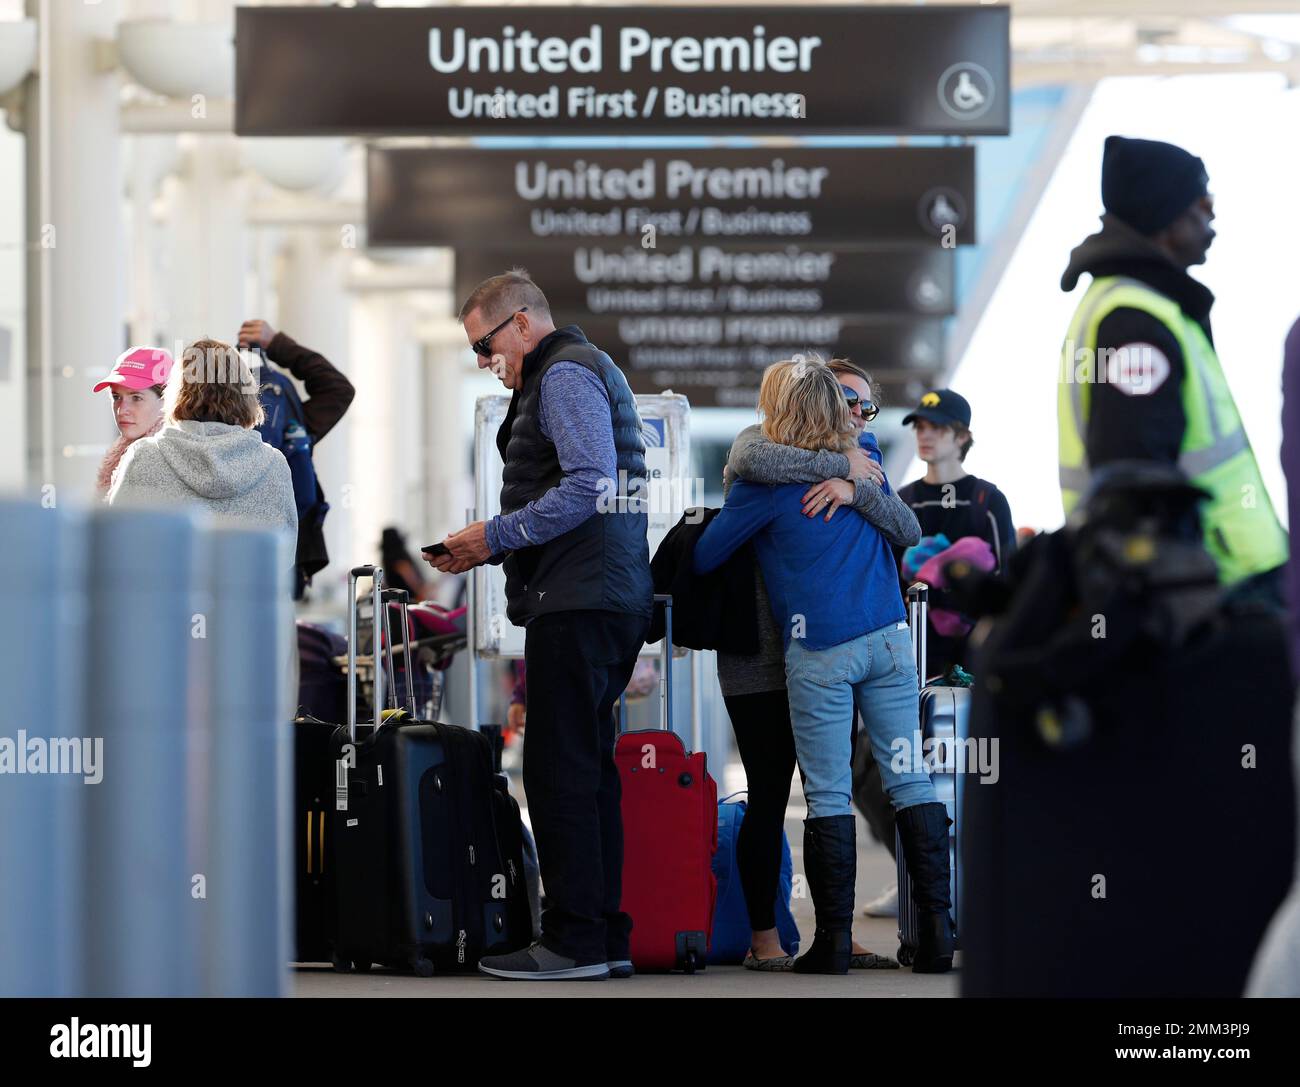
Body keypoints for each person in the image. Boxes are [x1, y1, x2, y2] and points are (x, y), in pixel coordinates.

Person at [426, 269, 652, 982]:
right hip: (596, 594)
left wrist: (494, 536)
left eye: (483, 344)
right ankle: (602, 934)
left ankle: (573, 939)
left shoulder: (563, 375)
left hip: (580, 599)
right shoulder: (567, 374)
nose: (483, 361)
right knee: (587, 771)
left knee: (559, 773)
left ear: (523, 322)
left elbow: (591, 482)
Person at [695, 358, 955, 975]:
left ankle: (833, 943)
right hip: (890, 641)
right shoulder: (862, 457)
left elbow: (706, 555)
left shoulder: (765, 484)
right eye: (853, 404)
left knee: (829, 794)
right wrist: (852, 485)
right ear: (836, 411)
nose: (862, 415)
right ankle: (939, 939)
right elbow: (904, 532)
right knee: (911, 782)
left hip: (821, 651)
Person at [1059, 135, 1287, 605]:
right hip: (1216, 595)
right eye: (1203, 203)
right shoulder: (1133, 321)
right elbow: (1135, 487)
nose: (1213, 219)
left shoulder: (1143, 308)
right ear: (1163, 214)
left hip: (1225, 586)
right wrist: (1185, 608)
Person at [108, 338, 298, 544]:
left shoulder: (143, 456)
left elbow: (115, 541)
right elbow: (284, 553)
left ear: (177, 393)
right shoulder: (273, 465)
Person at [896, 388, 1016, 679]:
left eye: (937, 427)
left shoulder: (987, 500)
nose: (925, 435)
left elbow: (1009, 582)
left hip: (973, 656)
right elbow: (888, 580)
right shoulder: (901, 501)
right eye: (920, 427)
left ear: (962, 436)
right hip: (909, 657)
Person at [237, 319, 355, 599]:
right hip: (288, 555)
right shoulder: (287, 410)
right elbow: (338, 389)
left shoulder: (208, 428)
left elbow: (338, 390)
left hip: (233, 560)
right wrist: (277, 343)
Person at [92, 346, 174, 498]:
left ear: (167, 399)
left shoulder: (159, 460)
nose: (122, 410)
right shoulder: (121, 454)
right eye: (116, 397)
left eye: (136, 398)